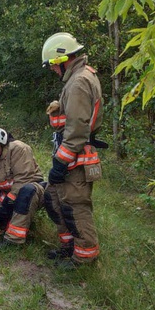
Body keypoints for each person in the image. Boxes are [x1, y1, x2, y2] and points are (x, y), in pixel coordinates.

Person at [41, 32, 104, 269]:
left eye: (52, 66)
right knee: (57, 199)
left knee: (76, 206)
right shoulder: (79, 78)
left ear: (61, 60)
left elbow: (77, 128)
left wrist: (61, 162)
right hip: (72, 155)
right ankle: (70, 248)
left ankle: (84, 260)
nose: (52, 70)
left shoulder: (78, 82)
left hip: (75, 158)